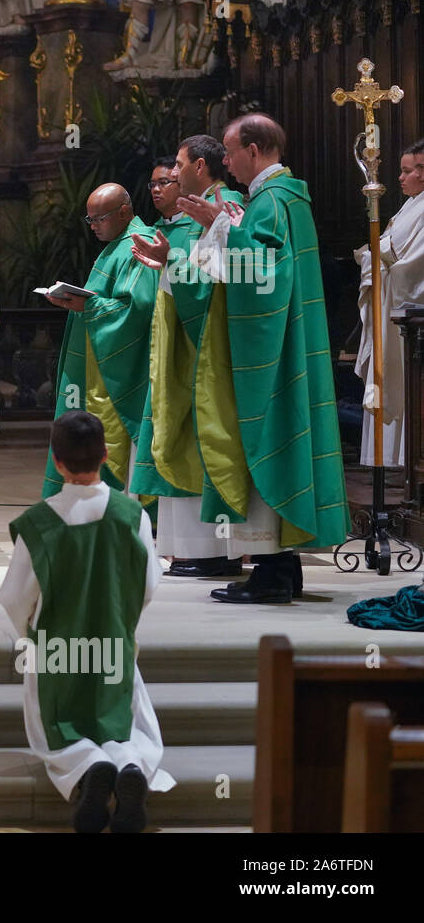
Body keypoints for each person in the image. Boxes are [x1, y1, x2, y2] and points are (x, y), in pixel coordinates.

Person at [131, 114, 350, 603]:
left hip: (269, 352)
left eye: (230, 154)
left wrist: (221, 230)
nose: (225, 163)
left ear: (254, 149)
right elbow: (232, 272)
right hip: (277, 344)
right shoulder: (277, 199)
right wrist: (180, 260)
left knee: (263, 439)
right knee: (274, 443)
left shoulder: (273, 200)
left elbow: (264, 274)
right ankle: (281, 568)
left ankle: (272, 574)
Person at [0, 410, 174, 833]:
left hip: (57, 650)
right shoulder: (133, 516)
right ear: (107, 454)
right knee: (126, 719)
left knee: (55, 726)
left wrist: (31, 638)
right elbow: (148, 585)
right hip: (114, 644)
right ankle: (129, 763)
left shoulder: (37, 523)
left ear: (56, 460)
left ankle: (88, 764)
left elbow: (15, 598)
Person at [130, 136, 246, 579]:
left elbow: (221, 277)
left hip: (206, 349)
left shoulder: (226, 206)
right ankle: (191, 550)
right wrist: (169, 263)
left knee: (203, 442)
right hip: (184, 343)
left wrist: (170, 261)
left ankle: (213, 552)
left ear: (201, 165)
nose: (173, 174)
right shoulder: (200, 207)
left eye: (178, 165)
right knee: (180, 437)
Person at [42, 183, 159, 497]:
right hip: (99, 363)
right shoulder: (116, 245)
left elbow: (139, 308)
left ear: (124, 211)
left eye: (100, 219)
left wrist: (88, 305)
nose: (93, 227)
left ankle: (127, 517)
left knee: (121, 455)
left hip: (121, 368)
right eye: (89, 220)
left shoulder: (138, 243)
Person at [354, 137, 424, 468]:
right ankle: (392, 461)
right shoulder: (411, 205)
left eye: (406, 171)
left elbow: (411, 266)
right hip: (393, 310)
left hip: (408, 316)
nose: (399, 178)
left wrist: (377, 258)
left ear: (423, 173)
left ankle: (408, 461)